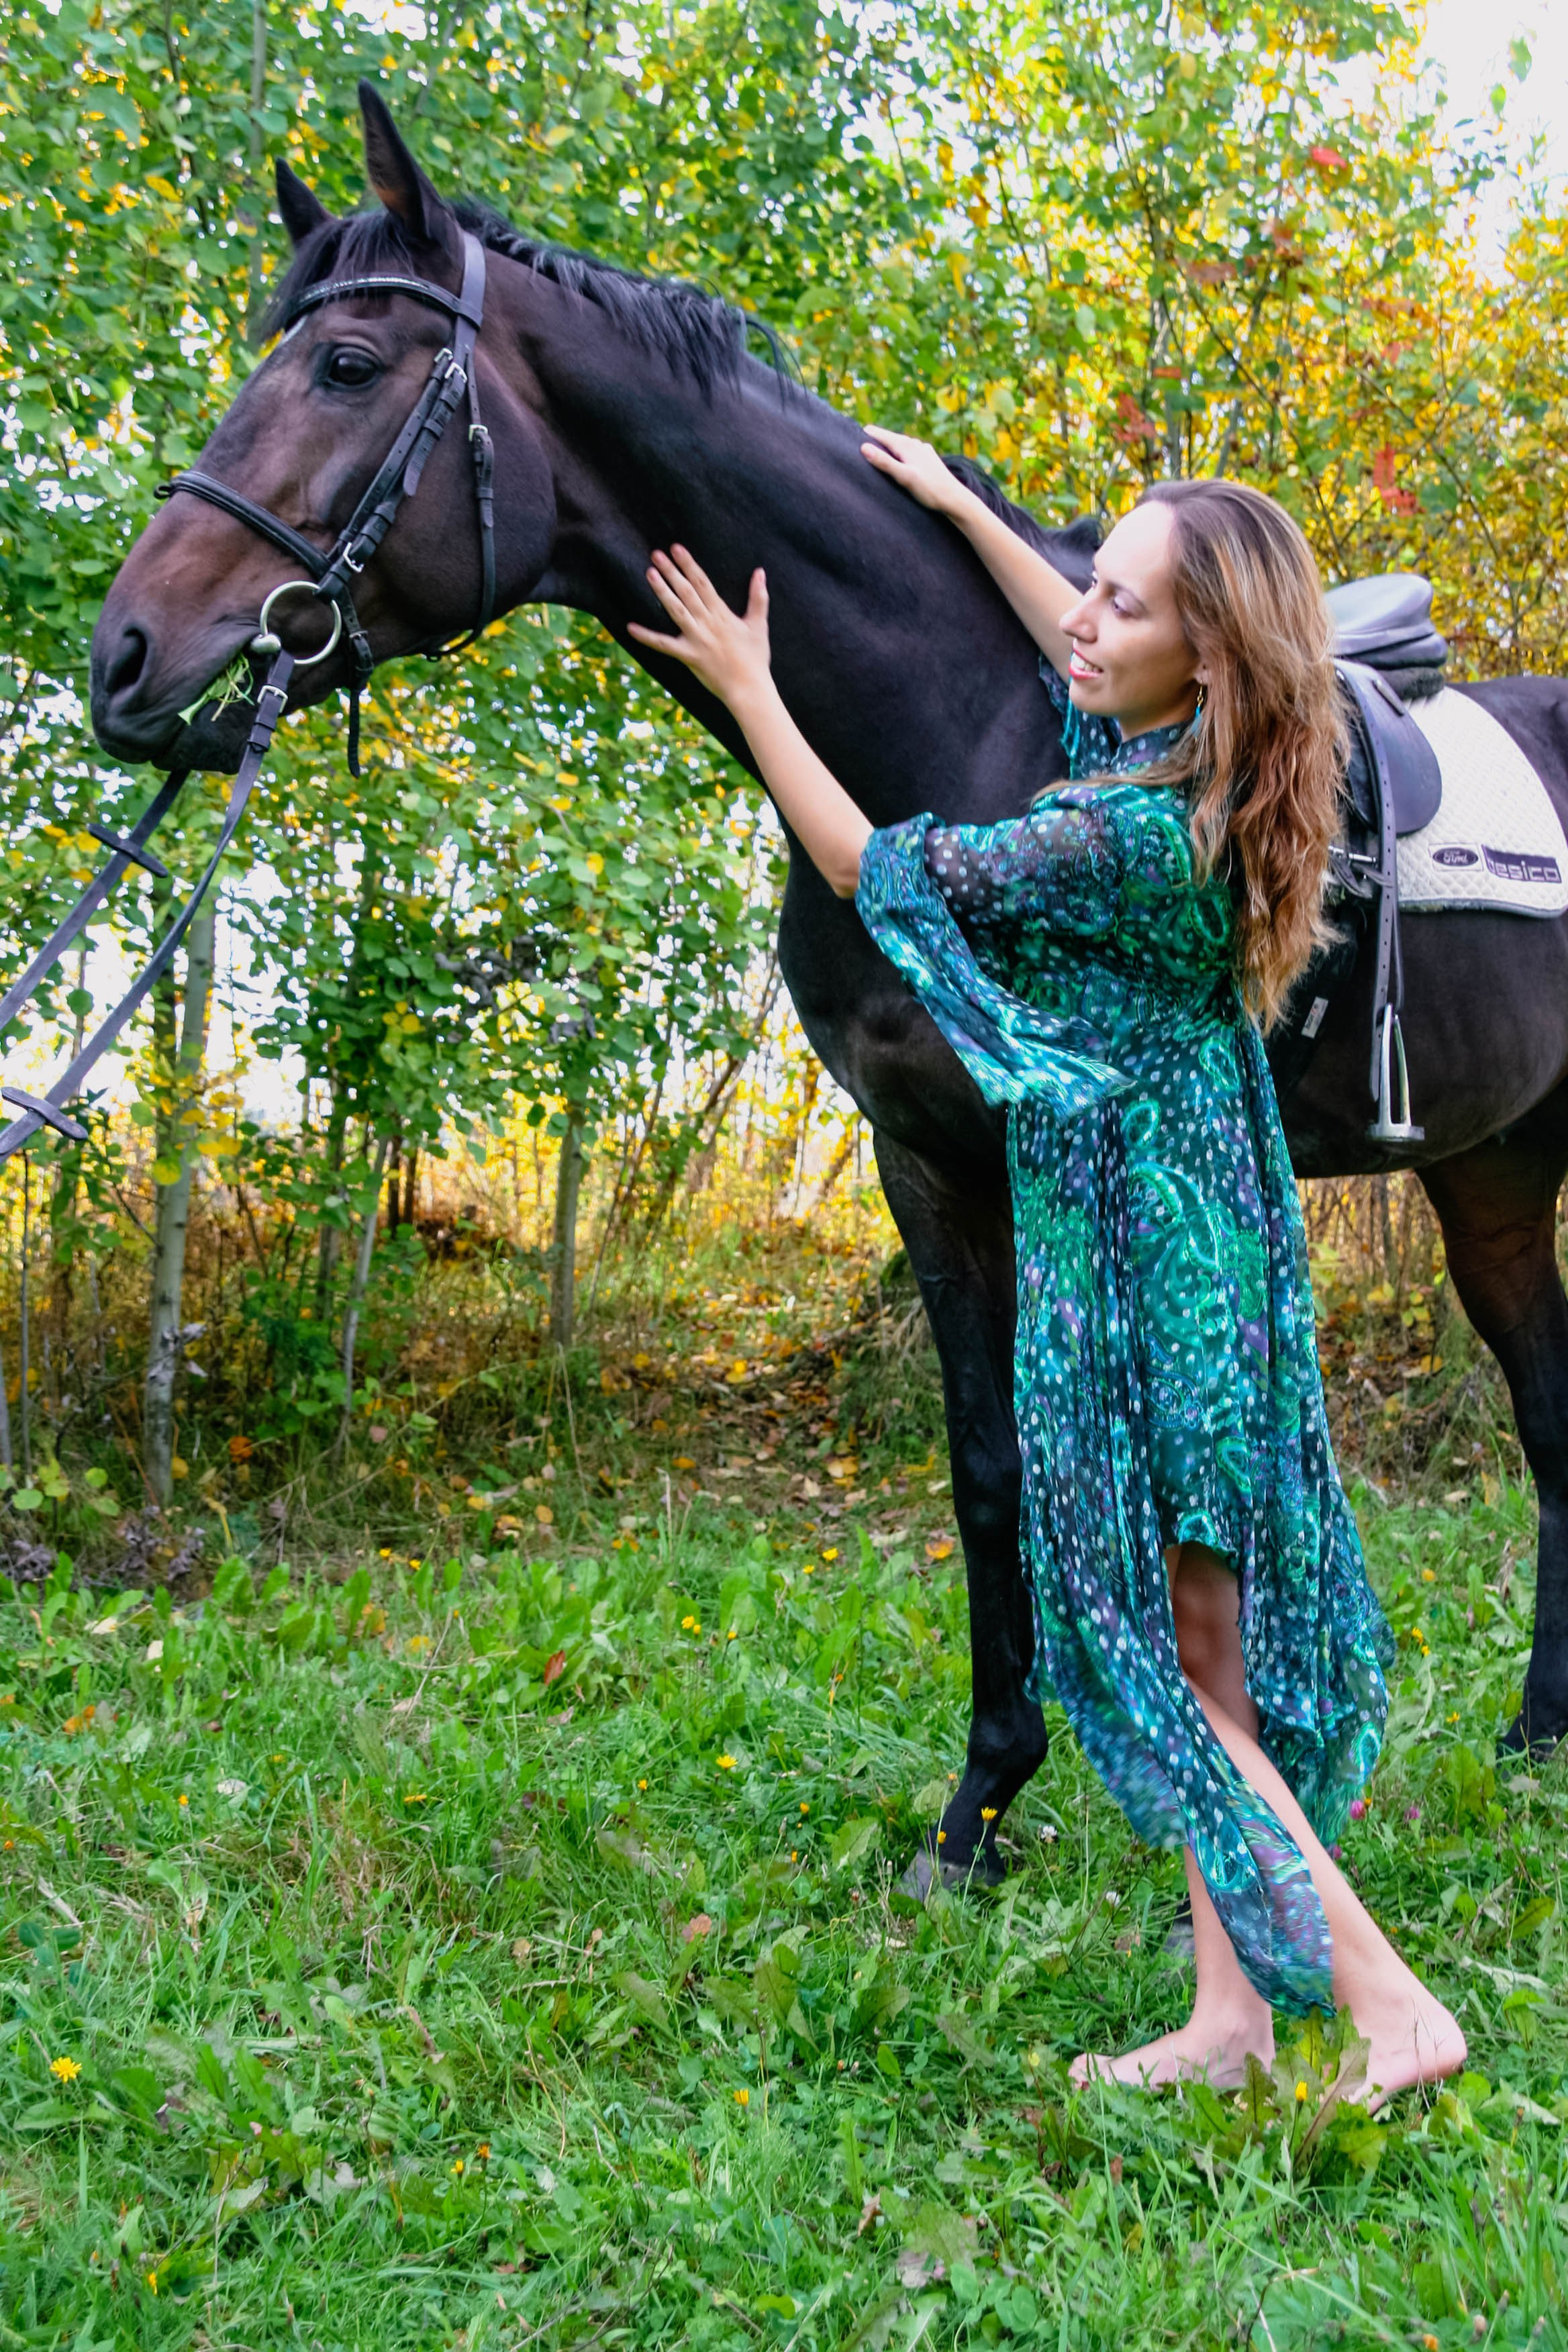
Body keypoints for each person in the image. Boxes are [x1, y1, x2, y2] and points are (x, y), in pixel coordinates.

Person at [627, 432, 1465, 2102]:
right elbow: (1071, 651)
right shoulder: (1202, 763)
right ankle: (1231, 2023)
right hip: (1201, 1232)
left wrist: (750, 689)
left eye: (1119, 604)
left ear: (1200, 657)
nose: (1079, 621)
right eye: (1087, 586)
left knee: (1167, 1657)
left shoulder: (1123, 840)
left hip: (1146, 1259)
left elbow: (878, 870)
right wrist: (960, 513)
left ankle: (1391, 2012)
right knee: (1206, 1649)